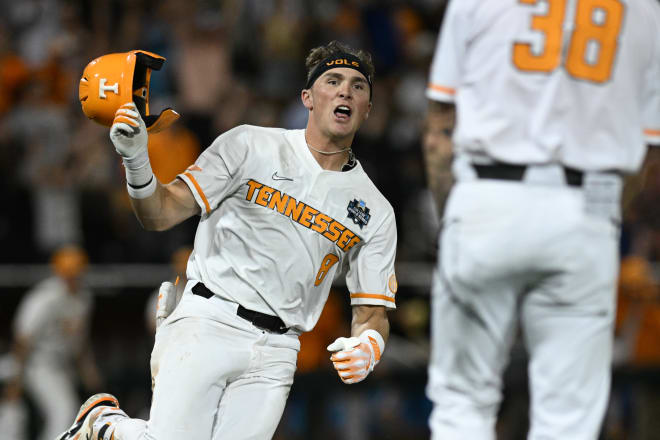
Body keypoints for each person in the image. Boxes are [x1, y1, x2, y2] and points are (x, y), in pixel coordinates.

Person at [58, 40, 397, 440]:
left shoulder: (375, 210)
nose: (345, 91)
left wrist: (370, 344)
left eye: (359, 86)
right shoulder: (249, 144)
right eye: (333, 80)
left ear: (368, 109)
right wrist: (136, 159)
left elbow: (371, 312)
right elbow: (159, 213)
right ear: (307, 96)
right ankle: (104, 425)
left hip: (279, 350)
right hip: (210, 319)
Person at [424, 1, 660, 439]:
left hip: (486, 195)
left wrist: (455, 218)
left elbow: (440, 122)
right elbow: (648, 150)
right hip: (587, 205)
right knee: (568, 418)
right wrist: (601, 220)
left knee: (462, 402)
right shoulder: (648, 9)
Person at [11, 245, 102, 440]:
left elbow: (80, 341)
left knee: (72, 414)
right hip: (37, 365)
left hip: (62, 366)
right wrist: (16, 378)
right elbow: (23, 338)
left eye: (76, 272)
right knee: (63, 410)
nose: (72, 277)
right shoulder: (44, 297)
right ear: (58, 272)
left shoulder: (84, 297)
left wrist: (89, 372)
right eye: (68, 272)